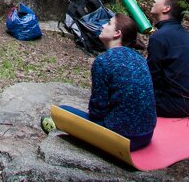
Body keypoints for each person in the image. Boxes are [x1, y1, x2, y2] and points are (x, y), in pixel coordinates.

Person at [59, 14, 157, 151]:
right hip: (146, 134)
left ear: (117, 33)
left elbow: (97, 111)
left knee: (61, 111)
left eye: (109, 23)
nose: (103, 25)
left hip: (122, 139)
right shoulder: (139, 58)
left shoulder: (104, 61)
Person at [148, 0, 189, 117]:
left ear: (166, 8)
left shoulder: (159, 37)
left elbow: (152, 77)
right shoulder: (183, 33)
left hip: (172, 105)